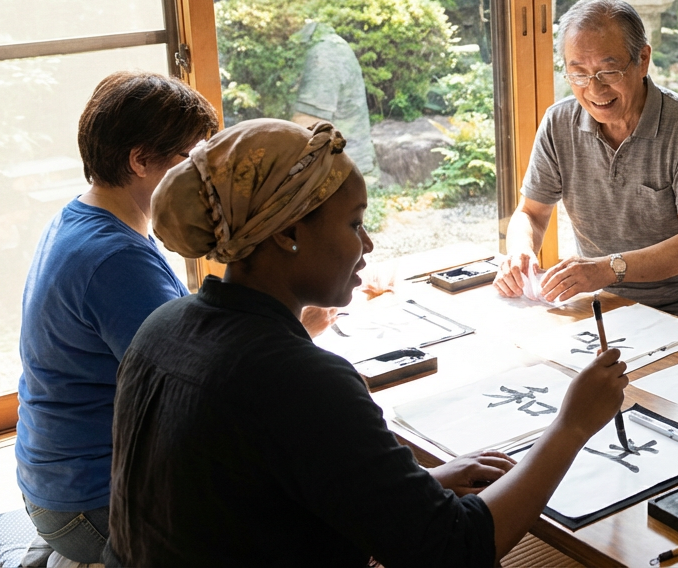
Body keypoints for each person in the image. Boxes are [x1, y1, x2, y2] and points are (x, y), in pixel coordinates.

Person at [112, 119, 628, 566]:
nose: (368, 244)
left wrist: (417, 486)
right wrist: (571, 425)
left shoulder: (163, 325)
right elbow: (454, 551)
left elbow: (261, 491)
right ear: (287, 232)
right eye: (355, 223)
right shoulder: (299, 379)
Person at [15, 71, 218, 564]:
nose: (203, 177)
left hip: (52, 483)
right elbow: (194, 392)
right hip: (87, 506)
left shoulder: (83, 218)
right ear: (140, 160)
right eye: (190, 160)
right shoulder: (115, 259)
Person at [493, 0, 678, 329]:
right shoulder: (559, 122)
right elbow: (531, 213)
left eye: (608, 71)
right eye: (579, 73)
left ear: (643, 59)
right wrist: (520, 252)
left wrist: (605, 269)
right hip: (599, 300)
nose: (594, 88)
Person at [292, 20, 377, 177]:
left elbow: (305, 133)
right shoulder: (301, 44)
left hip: (343, 177)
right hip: (325, 169)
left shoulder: (324, 53)